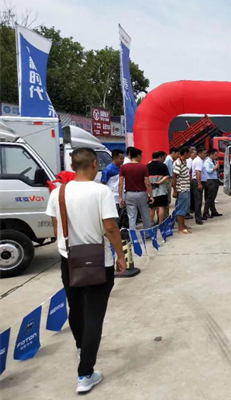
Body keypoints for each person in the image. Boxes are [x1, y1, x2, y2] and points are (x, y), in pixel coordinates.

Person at [45, 148, 126, 394]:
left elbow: (56, 224)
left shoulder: (58, 192)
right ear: (93, 163)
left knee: (76, 307)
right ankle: (85, 374)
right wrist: (120, 255)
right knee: (94, 314)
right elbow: (110, 227)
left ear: (72, 165)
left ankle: (82, 346)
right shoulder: (100, 191)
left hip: (68, 258)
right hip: (97, 260)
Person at [118, 148, 153, 232]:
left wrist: (120, 197)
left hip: (129, 194)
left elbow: (120, 184)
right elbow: (147, 183)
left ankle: (133, 235)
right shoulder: (143, 167)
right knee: (145, 215)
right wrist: (151, 195)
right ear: (138, 156)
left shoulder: (124, 167)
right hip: (141, 193)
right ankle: (148, 233)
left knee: (131, 216)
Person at [100, 149, 126, 225]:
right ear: (115, 158)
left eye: (123, 159)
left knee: (121, 217)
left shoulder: (122, 168)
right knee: (115, 218)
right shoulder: (108, 170)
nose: (122, 161)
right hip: (113, 198)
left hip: (121, 197)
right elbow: (103, 183)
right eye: (121, 159)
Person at [172, 146, 193, 233]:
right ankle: (180, 228)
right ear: (185, 153)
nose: (190, 155)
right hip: (182, 189)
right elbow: (174, 177)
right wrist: (175, 190)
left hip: (186, 188)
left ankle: (183, 225)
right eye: (189, 153)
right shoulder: (178, 163)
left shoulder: (184, 162)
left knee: (184, 208)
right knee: (181, 209)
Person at [147, 151, 170, 225]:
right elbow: (167, 176)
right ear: (160, 157)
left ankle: (151, 223)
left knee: (152, 208)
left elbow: (145, 178)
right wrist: (158, 183)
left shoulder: (147, 166)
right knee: (161, 207)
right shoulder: (163, 165)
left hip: (151, 191)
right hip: (161, 190)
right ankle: (160, 223)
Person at [203, 149, 222, 218]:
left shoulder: (213, 161)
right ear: (211, 154)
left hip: (214, 179)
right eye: (215, 155)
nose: (216, 156)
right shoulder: (207, 162)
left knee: (213, 197)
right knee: (210, 197)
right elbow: (209, 170)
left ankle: (213, 211)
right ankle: (205, 212)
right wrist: (215, 167)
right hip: (210, 180)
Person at [191, 147, 206, 225]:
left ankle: (199, 216)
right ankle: (198, 218)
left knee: (198, 200)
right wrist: (199, 183)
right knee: (198, 201)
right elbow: (198, 173)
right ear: (199, 153)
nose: (205, 155)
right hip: (197, 182)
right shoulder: (199, 161)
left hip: (196, 181)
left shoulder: (197, 160)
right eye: (204, 153)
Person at [185, 147, 198, 219]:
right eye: (194, 154)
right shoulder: (189, 161)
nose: (195, 155)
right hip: (189, 181)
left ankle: (191, 208)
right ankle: (188, 210)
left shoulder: (192, 160)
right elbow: (190, 171)